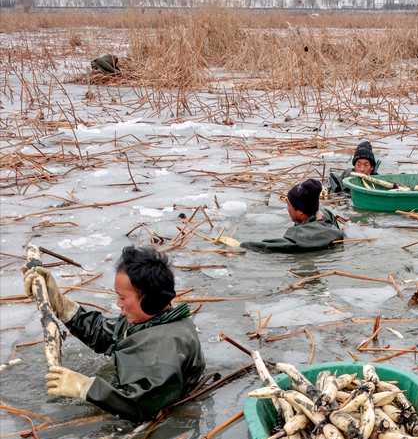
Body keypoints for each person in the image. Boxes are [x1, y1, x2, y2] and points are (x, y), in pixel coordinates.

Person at [25, 245, 205, 422]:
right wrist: (58, 302)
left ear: (151, 300)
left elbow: (141, 405)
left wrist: (84, 387)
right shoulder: (149, 320)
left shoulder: (167, 346)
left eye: (122, 298)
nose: (118, 304)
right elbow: (105, 334)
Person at [244, 178, 343, 253]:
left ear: (300, 212)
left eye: (288, 205)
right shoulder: (326, 213)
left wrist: (241, 245)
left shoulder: (300, 237)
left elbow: (268, 247)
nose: (287, 209)